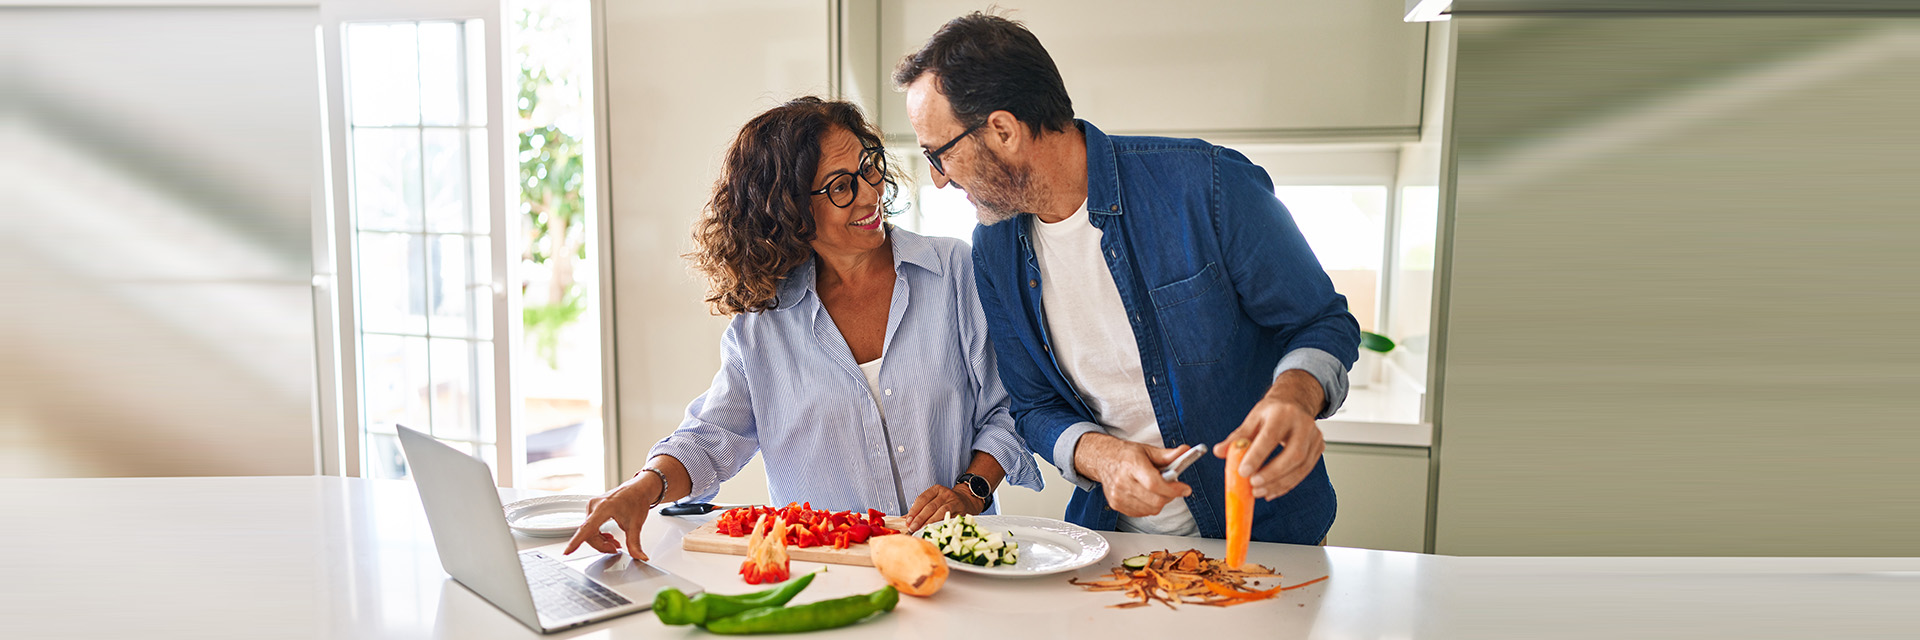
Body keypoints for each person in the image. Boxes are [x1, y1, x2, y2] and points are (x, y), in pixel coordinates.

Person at [894, 14, 1360, 544]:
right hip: (1114, 544)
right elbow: (1033, 406)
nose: (938, 179)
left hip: (1269, 533)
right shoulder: (994, 248)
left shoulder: (1207, 186)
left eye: (939, 154)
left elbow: (1323, 322)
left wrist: (1295, 398)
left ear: (1002, 130)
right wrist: (1103, 457)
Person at [565, 97, 1040, 560]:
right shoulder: (762, 323)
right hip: (829, 569)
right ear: (789, 209)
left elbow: (1010, 407)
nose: (871, 193)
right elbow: (712, 437)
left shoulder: (954, 271)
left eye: (868, 167)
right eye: (839, 186)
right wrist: (643, 487)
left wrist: (970, 491)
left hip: (953, 563)